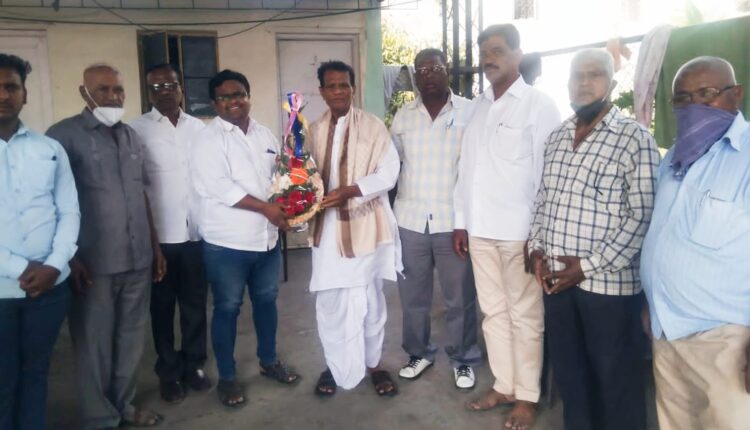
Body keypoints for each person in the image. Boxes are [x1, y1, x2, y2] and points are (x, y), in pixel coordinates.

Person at [528, 49, 658, 430]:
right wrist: (536, 248)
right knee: (571, 376)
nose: (584, 83)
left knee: (616, 381)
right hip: (556, 282)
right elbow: (543, 200)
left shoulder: (634, 139)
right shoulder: (557, 137)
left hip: (609, 288)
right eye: (577, 75)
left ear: (612, 84)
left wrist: (586, 267)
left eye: (594, 74)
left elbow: (642, 216)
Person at [46, 63, 166, 429]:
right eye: (103, 90)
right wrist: (70, 257)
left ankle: (123, 407)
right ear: (84, 92)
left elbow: (141, 194)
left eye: (118, 90)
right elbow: (50, 201)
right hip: (93, 262)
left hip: (137, 258)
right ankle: (99, 418)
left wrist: (155, 248)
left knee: (131, 340)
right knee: (94, 344)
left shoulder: (130, 136)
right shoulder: (62, 136)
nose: (113, 97)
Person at [453, 23, 560, 429]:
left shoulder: (538, 105)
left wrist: (538, 237)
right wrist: (461, 224)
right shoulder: (477, 107)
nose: (488, 59)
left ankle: (527, 396)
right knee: (493, 313)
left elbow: (547, 177)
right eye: (484, 52)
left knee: (525, 316)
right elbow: (465, 170)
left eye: (497, 50)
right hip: (479, 229)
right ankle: (504, 385)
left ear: (518, 54)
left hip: (520, 233)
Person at [640, 56, 750, 430]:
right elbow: (662, 235)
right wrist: (650, 302)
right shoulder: (674, 158)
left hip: (726, 342)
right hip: (666, 334)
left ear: (736, 94)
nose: (694, 107)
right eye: (682, 99)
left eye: (707, 94)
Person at [191, 69, 299, 408]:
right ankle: (227, 377)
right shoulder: (208, 140)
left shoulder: (265, 134)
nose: (233, 101)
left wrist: (291, 207)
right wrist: (267, 209)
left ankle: (269, 361)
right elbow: (220, 187)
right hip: (228, 244)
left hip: (266, 241)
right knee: (227, 307)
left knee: (266, 302)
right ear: (214, 103)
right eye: (224, 97)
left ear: (248, 96)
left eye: (239, 94)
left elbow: (278, 179)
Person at [308, 60, 402, 397]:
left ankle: (373, 364)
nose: (338, 91)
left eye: (344, 85)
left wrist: (351, 190)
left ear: (353, 88)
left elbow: (388, 173)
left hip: (364, 227)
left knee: (369, 300)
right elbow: (302, 176)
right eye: (331, 86)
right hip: (327, 230)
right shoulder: (312, 130)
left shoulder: (374, 127)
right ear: (322, 91)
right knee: (331, 302)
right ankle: (335, 365)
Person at [390, 48, 481, 388]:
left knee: (460, 297)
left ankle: (463, 358)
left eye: (435, 68)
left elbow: (475, 168)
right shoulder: (403, 116)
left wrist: (466, 222)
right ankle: (419, 353)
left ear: (447, 70)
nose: (428, 74)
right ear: (415, 75)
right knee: (413, 296)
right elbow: (391, 166)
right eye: (422, 69)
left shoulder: (470, 112)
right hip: (410, 220)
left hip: (452, 222)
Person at [0, 53, 79, 430]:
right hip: (1, 291)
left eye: (11, 87)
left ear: (24, 94)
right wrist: (20, 267)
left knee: (36, 374)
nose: (3, 95)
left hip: (49, 289)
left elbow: (69, 212)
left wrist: (54, 265)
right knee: (3, 381)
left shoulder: (49, 149)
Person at [129, 63, 210, 404]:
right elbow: (136, 189)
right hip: (160, 239)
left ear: (181, 88)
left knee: (195, 306)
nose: (164, 91)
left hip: (196, 236)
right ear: (148, 92)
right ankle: (168, 371)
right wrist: (150, 245)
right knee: (162, 309)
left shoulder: (199, 128)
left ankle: (194, 365)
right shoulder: (136, 130)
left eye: (170, 85)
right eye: (156, 87)